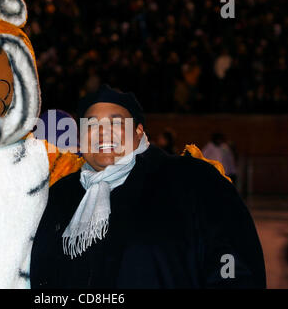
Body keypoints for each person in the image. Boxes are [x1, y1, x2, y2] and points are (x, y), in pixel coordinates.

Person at [30, 84, 266, 289]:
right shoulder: (60, 196)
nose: (102, 133)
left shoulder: (193, 179)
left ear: (139, 131)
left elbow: (233, 265)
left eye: (116, 122)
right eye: (91, 125)